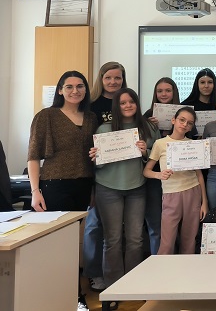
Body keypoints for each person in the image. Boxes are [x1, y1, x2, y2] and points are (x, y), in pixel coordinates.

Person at [27, 71, 97, 310]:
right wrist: (35, 191)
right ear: (60, 90)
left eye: (80, 86)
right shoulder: (46, 116)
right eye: (69, 87)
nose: (75, 91)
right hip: (54, 184)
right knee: (57, 243)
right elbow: (33, 156)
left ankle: (73, 295)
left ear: (86, 90)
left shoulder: (91, 118)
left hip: (83, 185)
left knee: (73, 243)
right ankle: (61, 296)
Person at [88, 88, 157, 288]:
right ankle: (114, 286)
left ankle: (132, 285)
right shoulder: (104, 129)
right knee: (112, 239)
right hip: (108, 188)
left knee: (135, 239)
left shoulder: (148, 128)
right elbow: (97, 165)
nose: (128, 106)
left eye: (131, 102)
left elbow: (157, 157)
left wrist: (146, 152)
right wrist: (95, 158)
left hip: (137, 188)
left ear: (137, 103)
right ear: (116, 106)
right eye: (123, 103)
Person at [85, 62, 127, 291]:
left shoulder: (126, 102)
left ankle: (114, 273)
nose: (113, 82)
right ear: (101, 79)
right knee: (94, 225)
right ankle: (93, 273)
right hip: (98, 172)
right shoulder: (91, 106)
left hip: (123, 172)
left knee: (115, 230)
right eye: (108, 77)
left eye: (117, 78)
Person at [143, 106, 209, 254]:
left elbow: (199, 175)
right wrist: (159, 175)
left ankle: (187, 268)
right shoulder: (160, 143)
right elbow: (146, 171)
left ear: (191, 127)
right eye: (182, 120)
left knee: (189, 240)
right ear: (173, 120)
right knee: (167, 242)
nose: (185, 124)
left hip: (192, 192)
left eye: (189, 123)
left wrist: (204, 202)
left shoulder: (193, 144)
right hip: (170, 194)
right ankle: (164, 268)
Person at [142, 77, 181, 255]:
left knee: (177, 224)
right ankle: (156, 261)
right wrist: (154, 128)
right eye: (160, 91)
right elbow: (142, 147)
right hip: (154, 177)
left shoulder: (183, 114)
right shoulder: (147, 116)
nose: (164, 94)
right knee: (155, 223)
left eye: (168, 90)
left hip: (178, 177)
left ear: (174, 93)